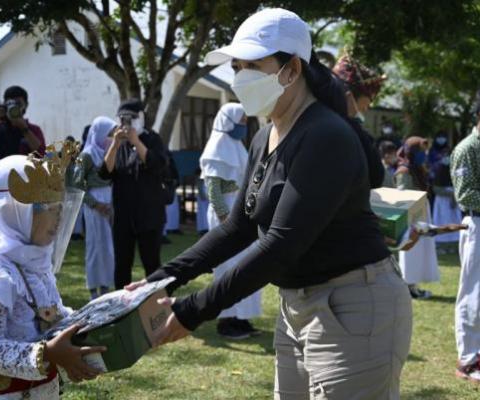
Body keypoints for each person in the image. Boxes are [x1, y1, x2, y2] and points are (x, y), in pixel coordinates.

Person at [129, 8, 412, 399]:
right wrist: (159, 280)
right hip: (295, 306)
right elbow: (239, 226)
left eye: (252, 65)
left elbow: (282, 243)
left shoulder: (325, 136)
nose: (240, 76)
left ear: (292, 70)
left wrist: (192, 310)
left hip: (353, 305)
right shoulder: (265, 136)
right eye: (237, 66)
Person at [0, 150, 106, 399]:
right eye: (48, 209)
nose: (58, 219)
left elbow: (51, 315)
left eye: (60, 208)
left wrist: (95, 320)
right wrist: (47, 354)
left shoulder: (34, 266)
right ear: (14, 211)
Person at [200, 102, 262, 339]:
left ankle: (242, 318)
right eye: (242, 121)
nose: (244, 126)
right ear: (229, 121)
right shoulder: (216, 148)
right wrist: (227, 218)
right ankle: (226, 321)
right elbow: (213, 190)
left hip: (241, 217)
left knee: (246, 267)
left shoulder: (236, 146)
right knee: (227, 269)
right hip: (225, 218)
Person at [99, 99, 168, 289]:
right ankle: (122, 308)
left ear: (141, 118)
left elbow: (157, 165)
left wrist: (136, 141)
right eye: (122, 119)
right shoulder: (117, 144)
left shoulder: (153, 139)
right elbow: (105, 173)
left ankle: (155, 306)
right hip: (123, 216)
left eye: (131, 119)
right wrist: (115, 144)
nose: (126, 123)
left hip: (149, 215)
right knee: (122, 265)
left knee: (152, 264)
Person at [72, 117, 116, 299]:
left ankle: (105, 286)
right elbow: (77, 184)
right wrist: (96, 204)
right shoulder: (86, 155)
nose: (111, 138)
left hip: (109, 201)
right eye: (109, 135)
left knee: (107, 246)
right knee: (95, 246)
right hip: (94, 204)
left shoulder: (109, 153)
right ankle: (93, 288)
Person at [451, 106, 480, 383]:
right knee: (473, 293)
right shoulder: (466, 148)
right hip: (476, 224)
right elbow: (466, 194)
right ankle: (468, 359)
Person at [332, 53, 386, 188]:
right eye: (369, 101)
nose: (367, 108)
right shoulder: (342, 129)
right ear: (350, 97)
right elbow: (375, 176)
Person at [395, 137, 440, 299]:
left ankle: (414, 285)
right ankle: (408, 286)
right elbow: (402, 198)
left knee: (420, 252)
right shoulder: (404, 171)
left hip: (420, 213)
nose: (423, 155)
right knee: (410, 252)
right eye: (420, 151)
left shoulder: (417, 169)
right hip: (411, 217)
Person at [0, 85, 46, 160]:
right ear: (4, 105)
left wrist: (24, 129)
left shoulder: (33, 129)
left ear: (26, 105)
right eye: (10, 104)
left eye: (18, 104)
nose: (14, 107)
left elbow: (41, 153)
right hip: (4, 170)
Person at [429, 132, 462, 254]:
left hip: (453, 199)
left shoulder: (455, 167)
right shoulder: (439, 168)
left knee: (454, 221)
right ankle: (440, 246)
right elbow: (436, 188)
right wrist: (450, 194)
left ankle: (453, 245)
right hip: (442, 199)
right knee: (441, 221)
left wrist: (455, 195)